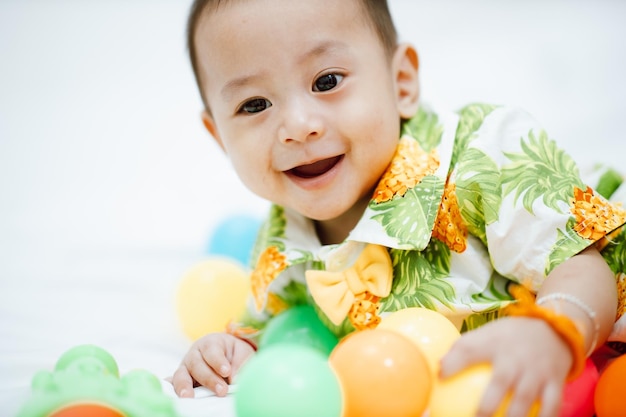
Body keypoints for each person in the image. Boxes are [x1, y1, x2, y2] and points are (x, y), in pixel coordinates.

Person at [171, 0, 626, 416]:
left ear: (401, 82)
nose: (298, 127)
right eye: (254, 105)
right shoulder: (282, 242)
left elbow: (585, 266)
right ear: (218, 137)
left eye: (326, 81)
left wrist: (553, 332)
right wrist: (227, 354)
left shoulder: (481, 159)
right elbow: (278, 330)